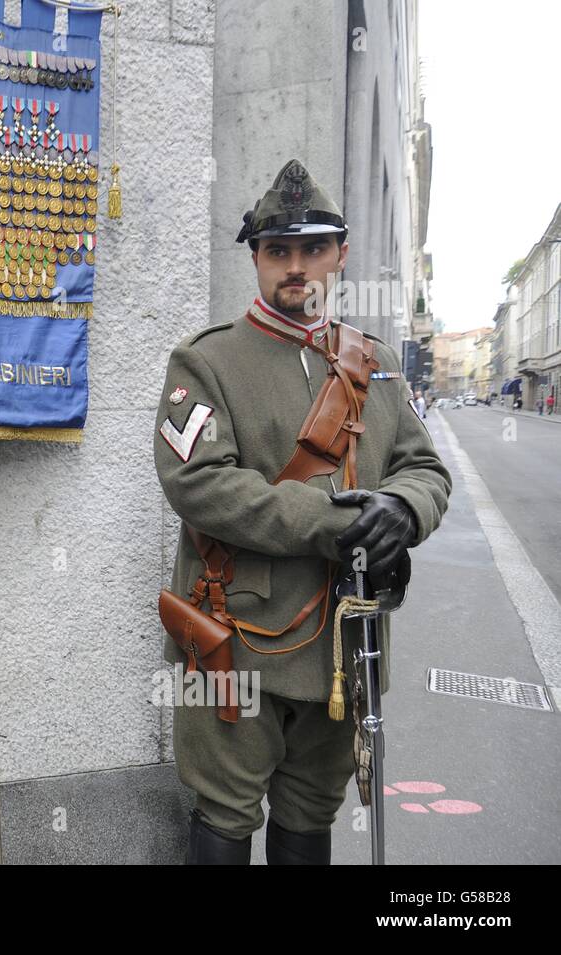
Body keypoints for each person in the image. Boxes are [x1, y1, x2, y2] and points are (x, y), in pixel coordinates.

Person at [154, 159, 451, 864]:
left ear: (339, 255)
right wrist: (339, 521)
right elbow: (198, 483)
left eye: (313, 248)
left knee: (310, 814)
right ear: (255, 257)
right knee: (225, 814)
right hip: (241, 636)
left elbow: (424, 468)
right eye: (278, 250)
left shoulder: (373, 364)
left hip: (346, 643)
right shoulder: (207, 362)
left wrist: (402, 510)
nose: (296, 267)